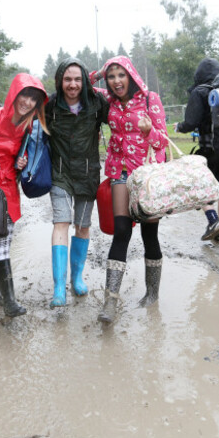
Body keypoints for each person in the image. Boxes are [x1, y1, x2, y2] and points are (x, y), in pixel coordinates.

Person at [90, 55, 169, 323]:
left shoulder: (150, 99)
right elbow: (86, 85)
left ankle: (152, 293)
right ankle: (110, 302)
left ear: (131, 75)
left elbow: (163, 143)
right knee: (121, 232)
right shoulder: (109, 100)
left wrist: (149, 132)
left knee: (150, 234)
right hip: (119, 172)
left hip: (146, 174)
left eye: (120, 75)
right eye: (111, 76)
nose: (116, 81)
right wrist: (99, 73)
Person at [0, 73, 49, 317]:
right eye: (24, 94)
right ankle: (10, 301)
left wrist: (20, 163)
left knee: (3, 239)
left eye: (33, 98)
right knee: (2, 239)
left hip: (10, 188)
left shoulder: (30, 124)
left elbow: (16, 154)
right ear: (15, 93)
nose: (27, 102)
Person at [45, 58, 109, 308]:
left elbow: (120, 115)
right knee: (61, 222)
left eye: (77, 79)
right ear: (60, 81)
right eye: (68, 79)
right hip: (59, 174)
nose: (72, 85)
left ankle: (77, 278)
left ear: (84, 81)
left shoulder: (96, 102)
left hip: (87, 174)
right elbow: (21, 109)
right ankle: (59, 287)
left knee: (82, 225)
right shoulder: (49, 105)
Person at [173, 57, 219, 245]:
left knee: (197, 184)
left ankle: (214, 221)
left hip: (210, 147)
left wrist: (179, 127)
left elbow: (191, 122)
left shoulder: (200, 91)